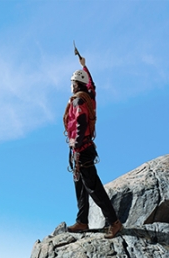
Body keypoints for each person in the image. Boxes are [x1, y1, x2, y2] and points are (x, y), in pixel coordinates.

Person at [63, 56, 122, 239]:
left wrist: (77, 145)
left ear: (75, 85)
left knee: (94, 188)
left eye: (72, 83)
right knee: (81, 186)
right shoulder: (89, 97)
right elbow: (92, 85)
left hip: (81, 149)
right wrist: (84, 66)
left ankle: (114, 222)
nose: (71, 85)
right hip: (84, 148)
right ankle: (82, 221)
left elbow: (80, 122)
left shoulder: (78, 101)